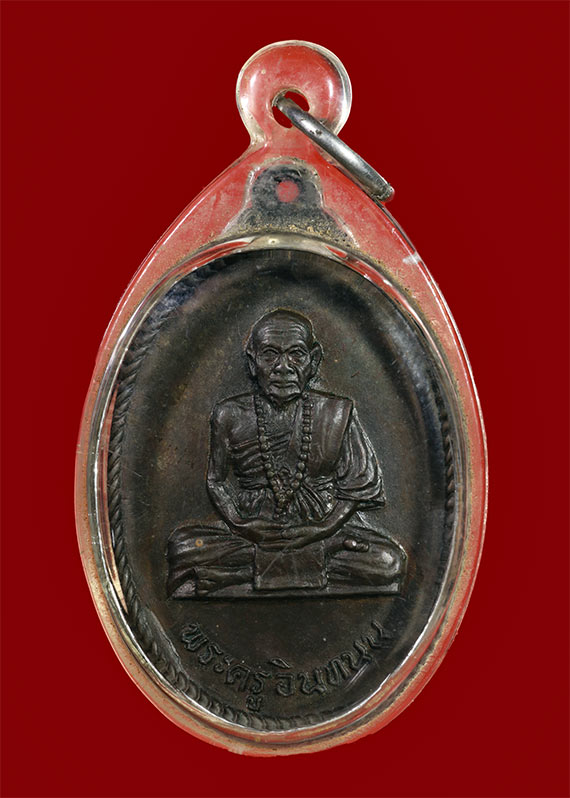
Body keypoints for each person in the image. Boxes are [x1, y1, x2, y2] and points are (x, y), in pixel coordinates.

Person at [167, 309, 406, 598]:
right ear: (252, 363)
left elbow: (357, 489)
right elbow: (216, 481)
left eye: (296, 355)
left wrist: (322, 530)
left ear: (313, 361)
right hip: (254, 530)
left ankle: (231, 575)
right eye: (270, 355)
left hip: (321, 528)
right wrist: (241, 524)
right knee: (182, 547)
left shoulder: (337, 413)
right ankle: (309, 563)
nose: (283, 367)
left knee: (388, 561)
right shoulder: (229, 413)